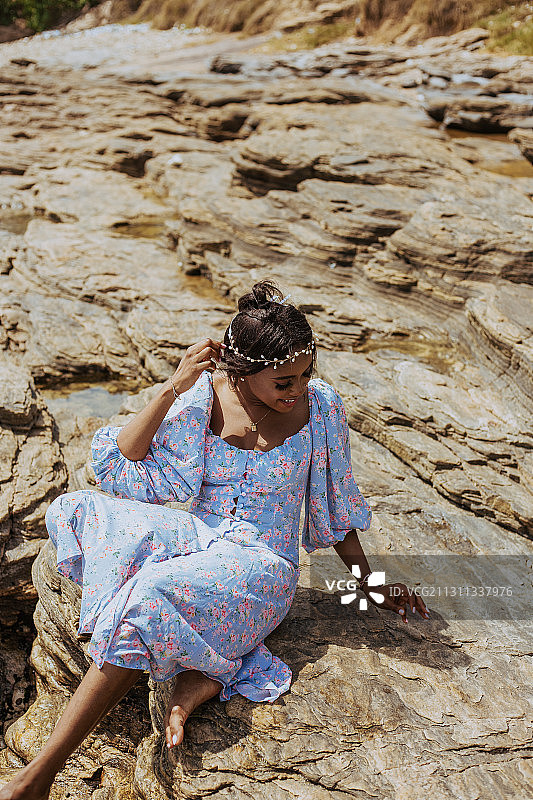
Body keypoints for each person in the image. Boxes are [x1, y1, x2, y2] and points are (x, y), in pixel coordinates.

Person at [0, 280, 429, 800]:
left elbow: (335, 510)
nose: (298, 388)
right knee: (80, 508)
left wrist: (372, 586)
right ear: (241, 373)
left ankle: (39, 774)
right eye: (283, 381)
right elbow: (126, 461)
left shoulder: (322, 409)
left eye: (305, 373)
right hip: (198, 536)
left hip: (261, 564)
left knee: (148, 594)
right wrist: (172, 387)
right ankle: (193, 670)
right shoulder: (203, 397)